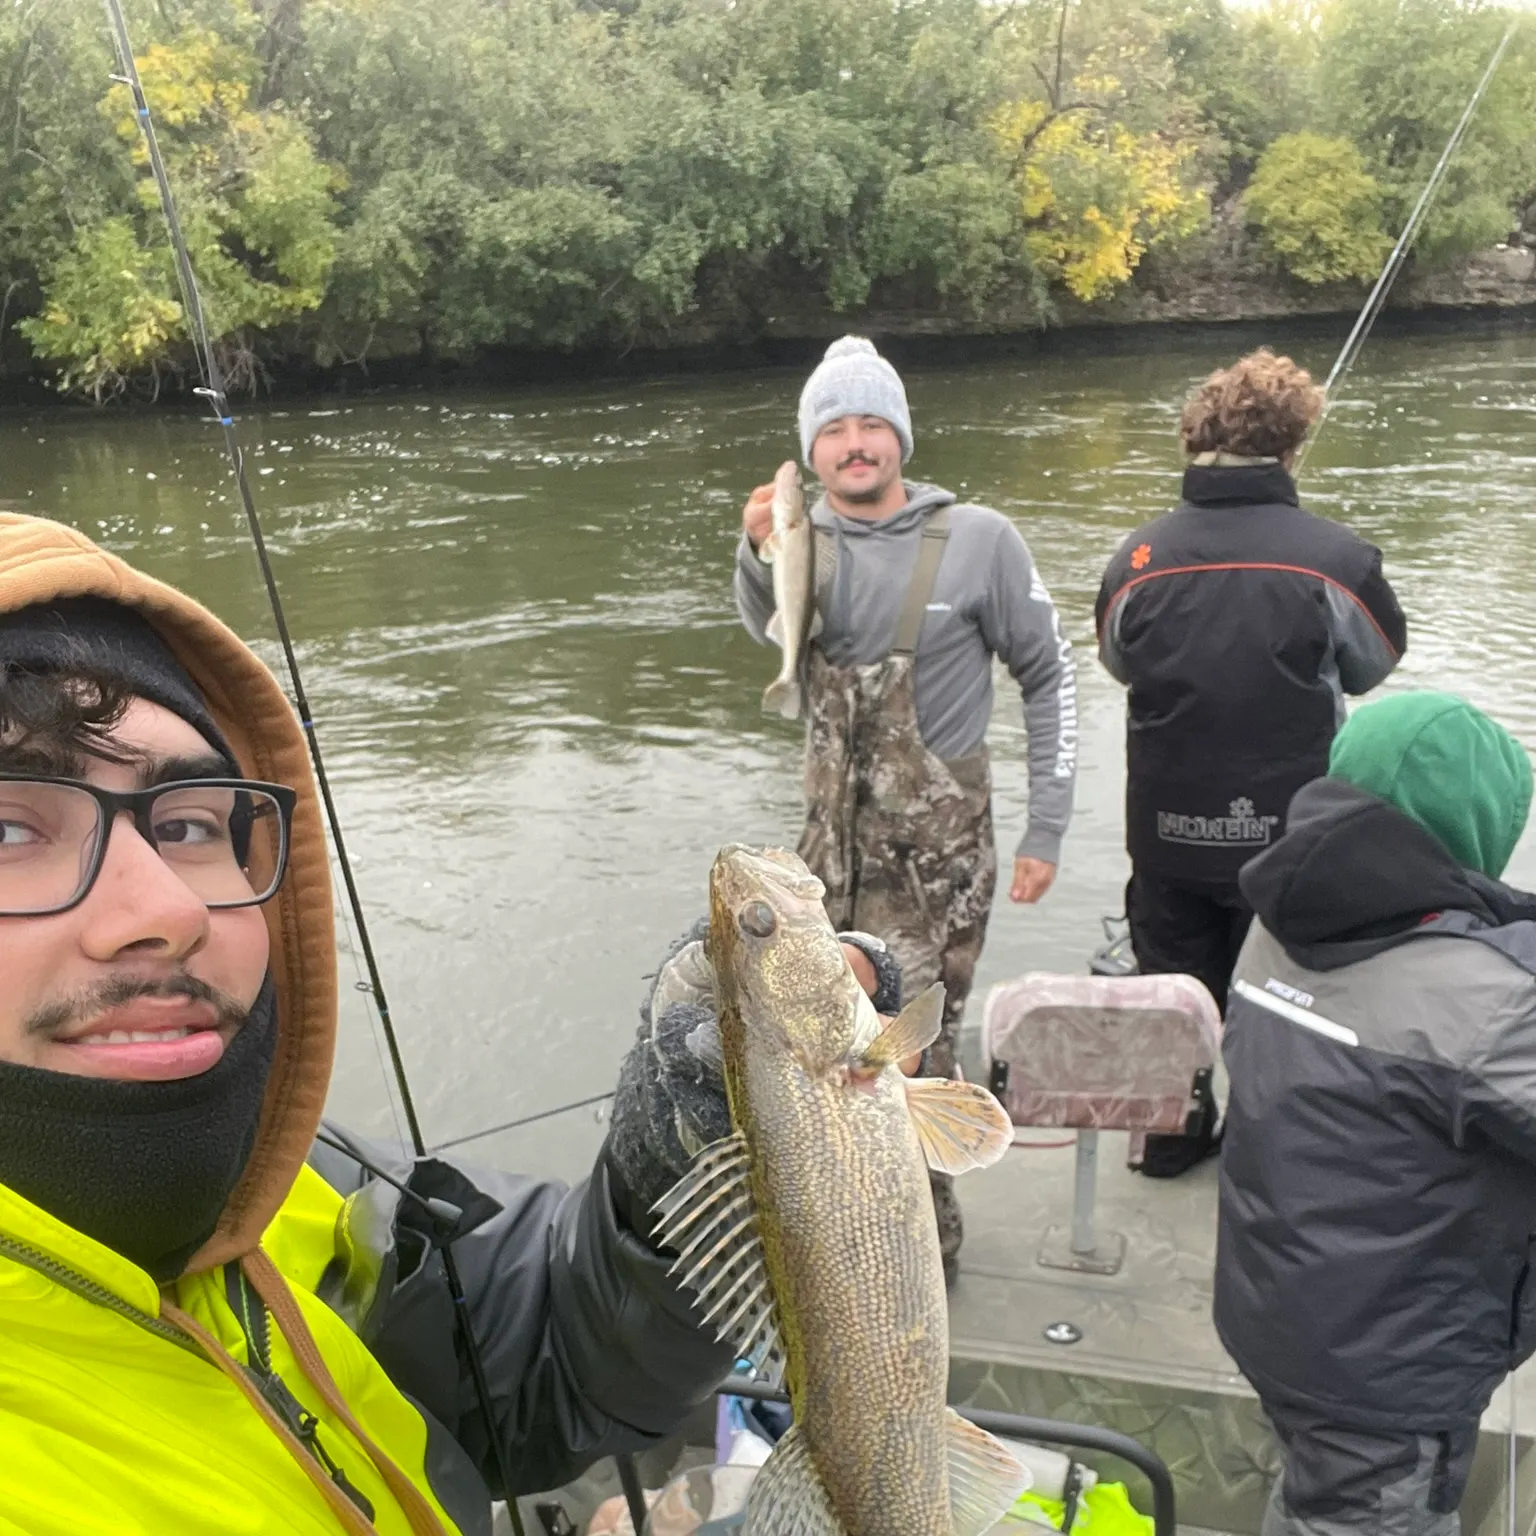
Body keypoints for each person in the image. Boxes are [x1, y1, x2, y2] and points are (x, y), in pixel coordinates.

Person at [0, 510, 848, 1536]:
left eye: (188, 823)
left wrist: (671, 1166)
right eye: (11, 827)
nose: (168, 912)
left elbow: (545, 1367)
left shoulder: (283, 1182)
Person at [734, 335, 1078, 1279]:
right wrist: (759, 548)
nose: (855, 443)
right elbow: (770, 635)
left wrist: (1048, 825)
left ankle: (926, 1252)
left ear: (901, 439)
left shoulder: (980, 540)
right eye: (834, 428)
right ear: (811, 453)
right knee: (809, 1056)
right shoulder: (803, 540)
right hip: (823, 860)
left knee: (911, 1053)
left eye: (872, 424)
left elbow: (1050, 675)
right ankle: (834, 1244)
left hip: (937, 872)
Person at [1216, 692, 1536, 1536]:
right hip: (1389, 1381)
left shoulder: (1275, 921)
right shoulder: (1494, 1006)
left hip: (1282, 1320)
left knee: (1312, 1492)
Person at [1094, 348, 1407, 1175]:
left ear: (1196, 439)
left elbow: (1118, 660)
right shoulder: (1337, 559)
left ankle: (1169, 1145)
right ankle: (1270, 1161)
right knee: (1282, 1005)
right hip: (1288, 841)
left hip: (1165, 835)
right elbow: (1375, 665)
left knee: (1173, 999)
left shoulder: (1137, 559)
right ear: (1295, 445)